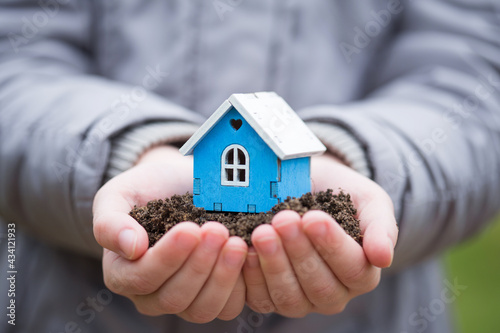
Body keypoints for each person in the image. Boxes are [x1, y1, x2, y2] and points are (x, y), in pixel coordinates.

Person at [1, 1, 499, 332]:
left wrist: (362, 163)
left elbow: (473, 81)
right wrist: (122, 154)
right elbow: (15, 64)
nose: (235, 168)